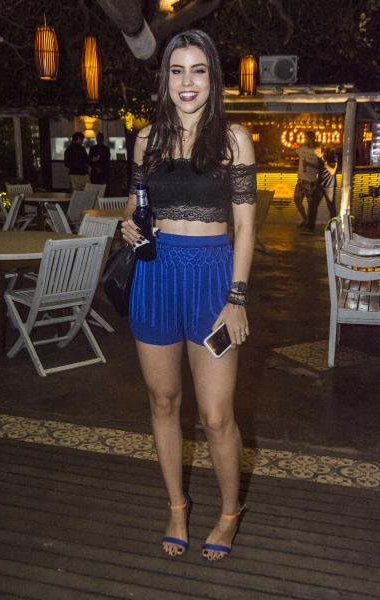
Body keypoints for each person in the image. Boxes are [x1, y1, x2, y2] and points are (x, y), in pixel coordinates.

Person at [121, 30, 256, 561]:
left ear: (212, 78)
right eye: (177, 70)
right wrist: (128, 225)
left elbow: (245, 227)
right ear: (165, 79)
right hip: (155, 276)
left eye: (198, 70)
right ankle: (177, 505)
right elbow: (135, 205)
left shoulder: (233, 139)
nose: (187, 81)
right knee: (162, 401)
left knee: (217, 414)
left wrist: (237, 297)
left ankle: (229, 513)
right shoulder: (147, 139)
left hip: (212, 280)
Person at [303, 145, 338, 234]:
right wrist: (309, 164)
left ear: (321, 150)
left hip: (329, 185)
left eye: (317, 152)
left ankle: (334, 228)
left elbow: (333, 171)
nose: (316, 154)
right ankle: (310, 228)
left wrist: (324, 161)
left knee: (331, 207)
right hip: (319, 185)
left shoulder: (331, 154)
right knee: (312, 205)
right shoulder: (320, 157)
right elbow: (320, 167)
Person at [293, 130, 320, 228]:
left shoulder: (317, 150)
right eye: (305, 138)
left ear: (312, 139)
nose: (304, 140)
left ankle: (309, 224)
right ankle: (305, 220)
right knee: (297, 200)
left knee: (310, 204)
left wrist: (309, 164)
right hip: (301, 180)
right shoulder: (302, 148)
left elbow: (320, 167)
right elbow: (293, 151)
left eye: (306, 138)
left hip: (311, 181)